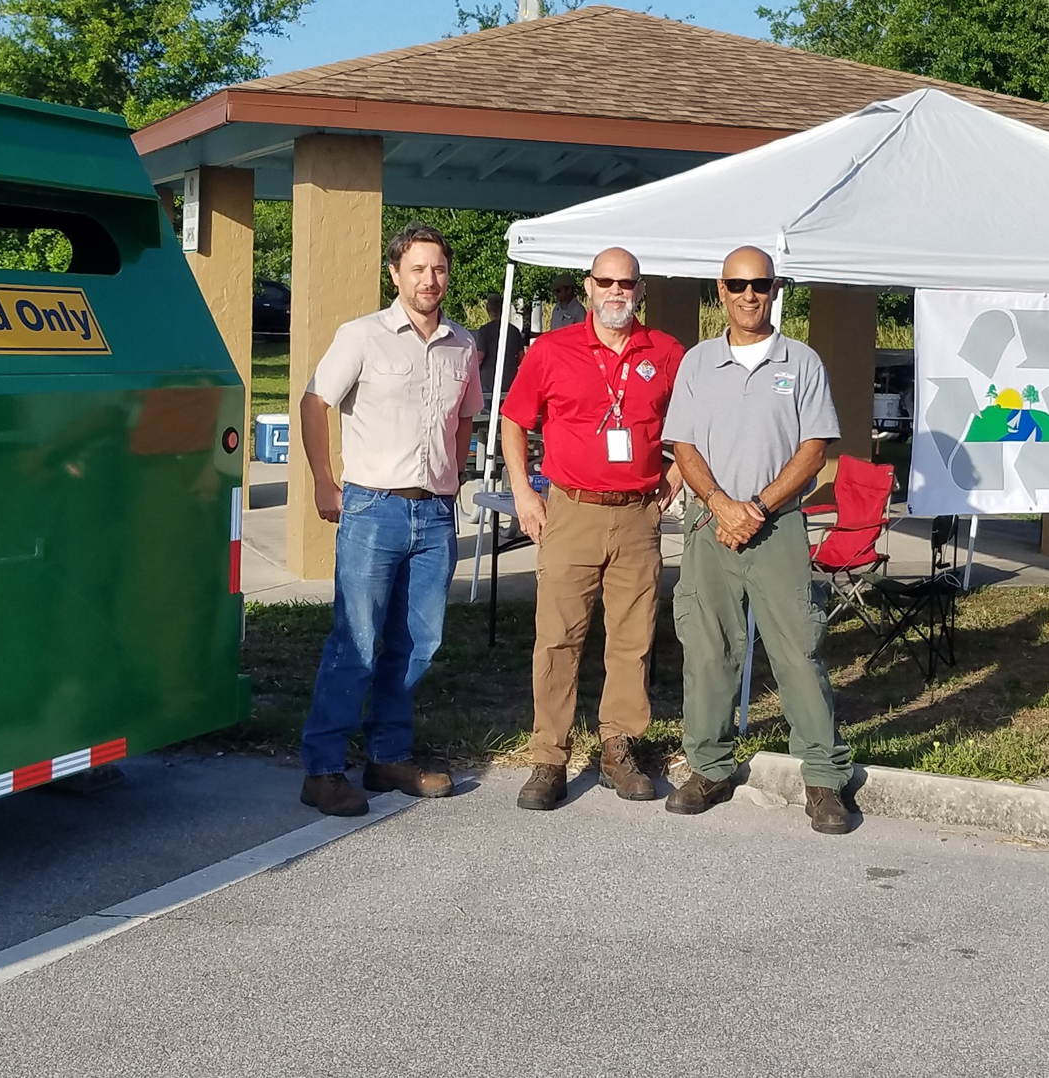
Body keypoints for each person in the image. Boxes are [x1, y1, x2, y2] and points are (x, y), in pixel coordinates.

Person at [660, 245, 854, 834]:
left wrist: (758, 507)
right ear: (720, 291)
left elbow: (814, 449)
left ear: (775, 290)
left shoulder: (803, 363)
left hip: (778, 527)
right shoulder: (696, 363)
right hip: (708, 526)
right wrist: (721, 505)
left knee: (799, 650)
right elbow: (683, 446)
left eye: (761, 285)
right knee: (708, 650)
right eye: (738, 285)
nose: (750, 295)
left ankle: (823, 779)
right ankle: (710, 767)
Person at [295, 222, 482, 817]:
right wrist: (326, 480)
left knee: (418, 642)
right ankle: (323, 771)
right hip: (373, 509)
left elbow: (462, 420)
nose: (431, 280)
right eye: (419, 269)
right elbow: (314, 401)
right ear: (396, 274)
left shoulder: (463, 344)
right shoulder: (362, 336)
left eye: (439, 269)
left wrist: (452, 483)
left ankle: (388, 756)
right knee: (358, 641)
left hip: (434, 515)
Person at [499, 248, 685, 811]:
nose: (615, 292)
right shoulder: (551, 350)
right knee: (557, 637)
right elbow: (513, 420)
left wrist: (673, 481)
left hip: (637, 514)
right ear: (588, 287)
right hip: (570, 510)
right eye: (605, 281)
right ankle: (549, 758)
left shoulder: (667, 352)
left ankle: (617, 748)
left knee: (633, 640)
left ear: (640, 290)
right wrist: (524, 493)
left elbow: (699, 427)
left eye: (626, 283)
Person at [474, 292, 525, 397]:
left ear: (488, 310)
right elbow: (521, 357)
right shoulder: (514, 331)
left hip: (488, 379)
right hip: (510, 378)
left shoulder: (485, 330)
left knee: (487, 411)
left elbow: (479, 356)